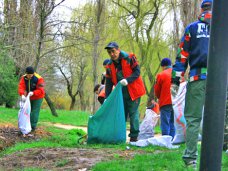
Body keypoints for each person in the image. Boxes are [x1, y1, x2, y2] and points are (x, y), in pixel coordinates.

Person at [171, 0, 213, 168]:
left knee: (193, 119)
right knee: (221, 118)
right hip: (221, 81)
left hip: (197, 78)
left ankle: (190, 158)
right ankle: (223, 150)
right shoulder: (224, 27)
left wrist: (175, 80)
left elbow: (183, 56)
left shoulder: (192, 28)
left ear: (202, 9)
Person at [104, 41, 146, 142]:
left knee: (133, 113)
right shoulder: (109, 66)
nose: (112, 54)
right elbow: (109, 83)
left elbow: (137, 72)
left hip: (134, 91)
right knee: (122, 114)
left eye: (113, 51)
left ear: (118, 50)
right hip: (121, 93)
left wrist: (127, 80)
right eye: (109, 52)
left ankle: (134, 137)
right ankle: (120, 136)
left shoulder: (130, 58)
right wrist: (107, 98)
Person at [18, 66, 45, 132]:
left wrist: (33, 93)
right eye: (28, 75)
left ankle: (32, 127)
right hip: (28, 97)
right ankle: (25, 125)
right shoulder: (23, 78)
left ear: (33, 73)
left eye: (31, 75)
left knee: (34, 112)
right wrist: (22, 94)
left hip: (38, 97)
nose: (29, 76)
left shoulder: (39, 79)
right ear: (26, 73)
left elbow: (41, 90)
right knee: (27, 111)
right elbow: (21, 87)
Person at [154, 58, 175, 138]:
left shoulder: (161, 75)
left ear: (163, 66)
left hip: (165, 102)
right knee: (172, 122)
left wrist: (159, 97)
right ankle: (172, 140)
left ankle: (165, 140)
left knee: (165, 122)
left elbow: (157, 90)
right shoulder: (175, 74)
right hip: (175, 102)